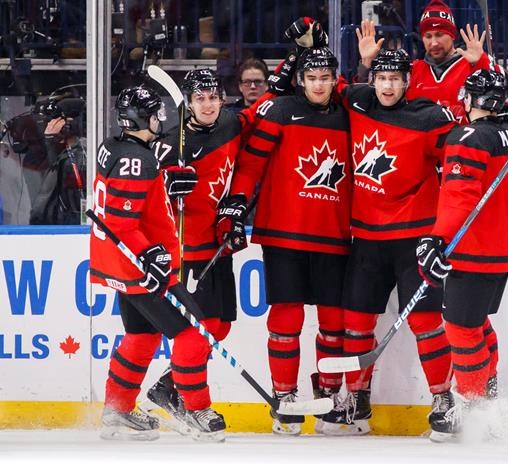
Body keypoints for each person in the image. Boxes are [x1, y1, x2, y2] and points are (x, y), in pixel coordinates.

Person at [316, 48, 457, 436]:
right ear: (372, 80)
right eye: (382, 78)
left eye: (395, 79)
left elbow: (462, 158)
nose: (388, 86)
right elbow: (322, 82)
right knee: (355, 322)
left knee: (426, 322)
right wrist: (355, 59)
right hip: (366, 238)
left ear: (407, 82)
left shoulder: (429, 118)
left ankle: (443, 399)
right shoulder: (358, 101)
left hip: (415, 239)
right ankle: (356, 398)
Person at [217, 46, 351, 436]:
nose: (319, 85)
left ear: (335, 80)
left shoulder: (349, 116)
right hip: (283, 233)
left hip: (334, 234)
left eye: (325, 78)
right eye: (311, 78)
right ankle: (285, 397)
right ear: (299, 80)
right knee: (286, 320)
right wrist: (236, 202)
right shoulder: (278, 112)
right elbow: (250, 164)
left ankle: (330, 395)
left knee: (333, 322)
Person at [89, 84, 225, 441]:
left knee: (142, 335)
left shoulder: (113, 147)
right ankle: (195, 410)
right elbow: (121, 223)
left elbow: (126, 198)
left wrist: (163, 180)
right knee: (194, 332)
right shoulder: (139, 161)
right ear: (140, 119)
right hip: (140, 268)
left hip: (119, 265)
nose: (158, 120)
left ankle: (118, 409)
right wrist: (150, 254)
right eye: (153, 115)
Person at [141, 67, 268, 433]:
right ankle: (195, 404)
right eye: (200, 99)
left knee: (221, 325)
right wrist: (166, 184)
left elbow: (263, 109)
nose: (208, 105)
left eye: (213, 98)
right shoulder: (169, 144)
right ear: (189, 103)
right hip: (186, 248)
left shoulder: (230, 124)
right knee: (199, 330)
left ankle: (169, 385)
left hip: (216, 245)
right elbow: (142, 192)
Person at [417, 69, 508, 440]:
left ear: (470, 99)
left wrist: (436, 238)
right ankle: (487, 389)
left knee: (460, 326)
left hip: (474, 250)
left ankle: (471, 405)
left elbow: (459, 197)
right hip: (504, 249)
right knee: (476, 321)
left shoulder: (468, 136)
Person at [356, 0, 508, 121]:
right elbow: (371, 100)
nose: (433, 43)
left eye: (439, 35)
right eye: (428, 36)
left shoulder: (472, 63)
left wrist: (481, 62)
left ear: (452, 35)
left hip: (462, 149)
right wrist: (366, 63)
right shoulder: (412, 70)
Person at [29, 94, 86, 225]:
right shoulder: (45, 152)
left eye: (57, 120)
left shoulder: (83, 153)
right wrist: (50, 144)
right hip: (50, 223)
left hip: (73, 222)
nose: (50, 126)